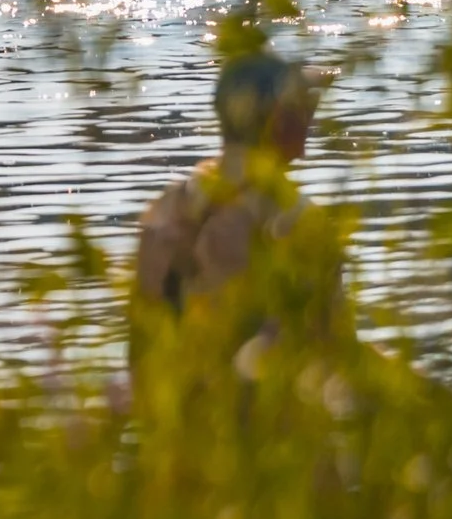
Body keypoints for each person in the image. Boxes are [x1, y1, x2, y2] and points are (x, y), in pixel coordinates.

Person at [134, 49, 327, 318]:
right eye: (304, 107)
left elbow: (141, 350)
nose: (310, 119)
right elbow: (333, 347)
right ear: (279, 120)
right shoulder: (299, 223)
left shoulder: (165, 213)